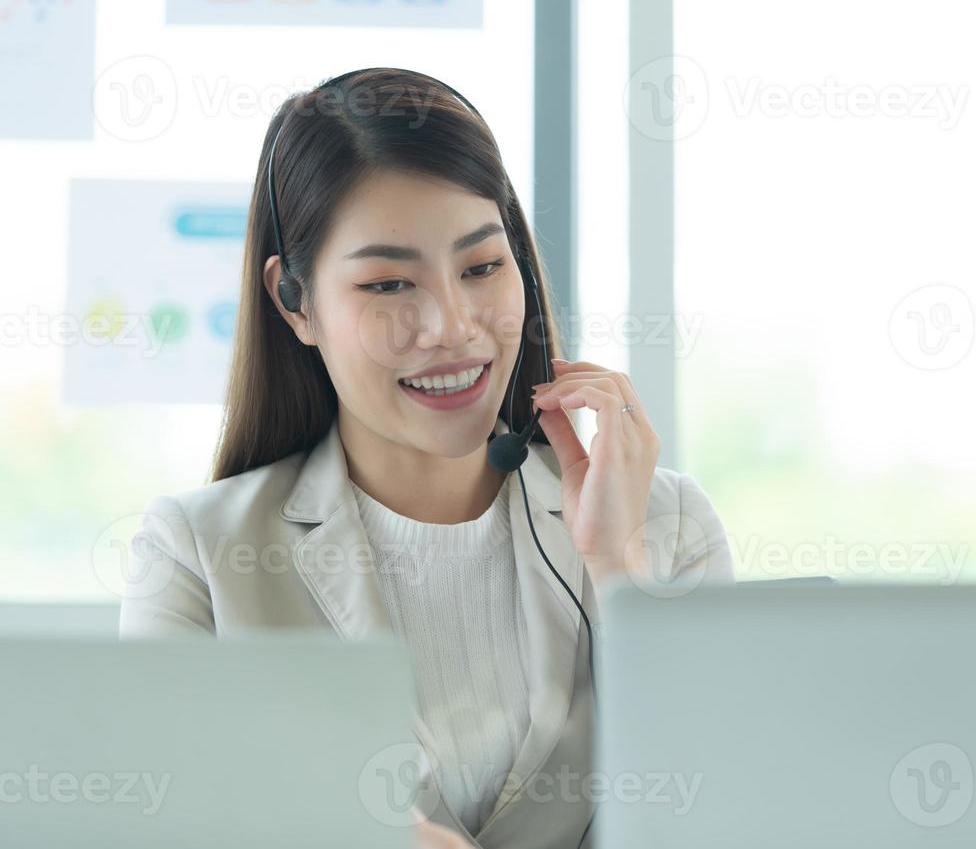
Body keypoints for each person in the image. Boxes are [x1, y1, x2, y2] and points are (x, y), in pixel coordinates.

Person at [118, 68, 734, 849]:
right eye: (387, 283)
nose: (452, 326)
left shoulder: (666, 525)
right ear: (294, 302)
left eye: (481, 267)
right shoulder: (197, 554)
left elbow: (712, 815)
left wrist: (619, 570)